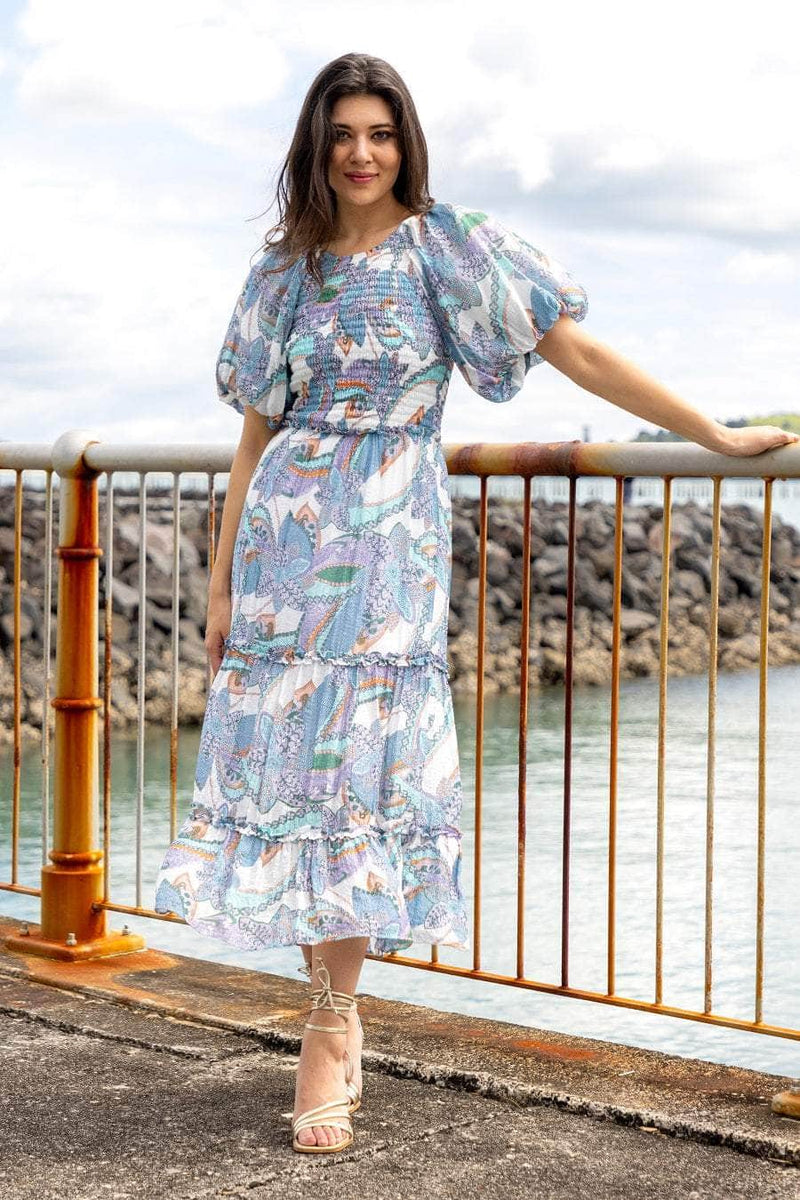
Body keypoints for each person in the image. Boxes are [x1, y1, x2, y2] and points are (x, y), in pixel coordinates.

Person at [153, 53, 799, 1155]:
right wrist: (220, 585)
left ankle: (331, 1024)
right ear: (315, 146)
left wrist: (711, 435)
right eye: (341, 134)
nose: (361, 154)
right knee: (294, 780)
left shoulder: (447, 248)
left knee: (361, 776)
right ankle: (330, 1007)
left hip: (387, 553)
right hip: (281, 556)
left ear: (405, 142)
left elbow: (573, 349)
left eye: (379, 133)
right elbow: (256, 436)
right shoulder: (284, 272)